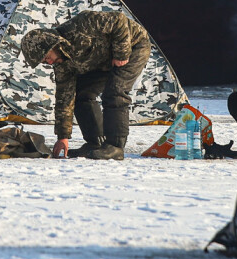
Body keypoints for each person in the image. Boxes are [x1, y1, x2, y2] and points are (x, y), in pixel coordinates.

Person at [20, 10, 151, 161]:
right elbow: (65, 98)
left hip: (134, 46)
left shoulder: (82, 25)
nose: (49, 63)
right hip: (103, 61)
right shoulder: (62, 65)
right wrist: (63, 137)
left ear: (52, 45)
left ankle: (115, 147)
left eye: (47, 58)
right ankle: (95, 143)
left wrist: (121, 53)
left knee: (115, 91)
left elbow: (118, 20)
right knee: (81, 93)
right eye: (45, 62)